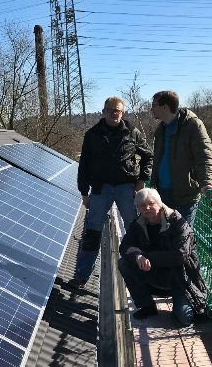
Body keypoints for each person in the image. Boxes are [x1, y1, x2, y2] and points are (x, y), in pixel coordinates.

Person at [69, 96, 153, 289]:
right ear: (104, 111)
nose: (114, 113)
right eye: (110, 110)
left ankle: (140, 272)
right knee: (92, 231)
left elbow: (148, 156)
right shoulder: (92, 134)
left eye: (118, 111)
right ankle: (82, 276)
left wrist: (141, 181)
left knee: (134, 229)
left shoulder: (133, 132)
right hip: (101, 188)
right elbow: (84, 165)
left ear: (122, 113)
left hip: (127, 188)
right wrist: (84, 192)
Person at [118, 188, 207, 326]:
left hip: (180, 278)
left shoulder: (179, 223)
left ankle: (181, 301)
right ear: (138, 208)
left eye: (151, 203)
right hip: (154, 275)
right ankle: (147, 306)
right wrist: (137, 256)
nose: (147, 208)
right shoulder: (138, 224)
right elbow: (124, 247)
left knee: (185, 319)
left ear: (159, 203)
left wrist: (146, 256)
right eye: (142, 206)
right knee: (124, 263)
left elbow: (179, 256)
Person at [150, 90, 212, 224]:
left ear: (165, 107)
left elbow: (205, 155)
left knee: (183, 239)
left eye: (154, 105)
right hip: (162, 193)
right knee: (164, 236)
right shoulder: (161, 129)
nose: (152, 109)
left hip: (184, 195)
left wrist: (207, 182)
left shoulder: (192, 125)